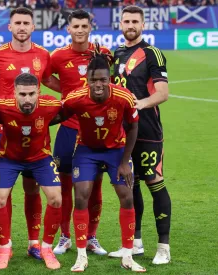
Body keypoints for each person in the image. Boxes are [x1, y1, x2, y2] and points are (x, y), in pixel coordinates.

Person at [0, 7, 60, 260]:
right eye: (17, 23)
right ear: (9, 27)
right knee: (3, 191)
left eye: (26, 23)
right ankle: (5, 245)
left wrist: (81, 88)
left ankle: (35, 243)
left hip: (36, 133)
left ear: (33, 27)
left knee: (33, 188)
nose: (22, 27)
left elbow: (51, 82)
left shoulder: (43, 55)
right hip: (4, 131)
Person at [53, 44, 145, 272]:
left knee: (127, 196)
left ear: (109, 78)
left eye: (103, 80)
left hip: (116, 150)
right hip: (86, 150)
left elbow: (133, 127)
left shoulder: (123, 97)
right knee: (81, 196)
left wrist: (124, 161)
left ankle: (128, 254)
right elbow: (58, 115)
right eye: (93, 80)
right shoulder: (76, 98)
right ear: (87, 79)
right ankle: (82, 255)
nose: (98, 85)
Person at [110, 5, 171, 265]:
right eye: (127, 21)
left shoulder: (151, 54)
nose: (131, 25)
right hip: (122, 133)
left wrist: (139, 104)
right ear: (120, 24)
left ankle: (163, 247)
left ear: (143, 25)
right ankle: (135, 243)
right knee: (129, 184)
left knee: (154, 183)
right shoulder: (118, 53)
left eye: (135, 21)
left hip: (146, 130)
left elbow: (162, 93)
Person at [49, 9, 112, 255]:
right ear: (69, 29)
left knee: (94, 185)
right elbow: (45, 77)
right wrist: (65, 88)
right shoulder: (58, 56)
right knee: (64, 184)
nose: (80, 30)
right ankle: (65, 236)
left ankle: (91, 236)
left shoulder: (102, 54)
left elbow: (112, 82)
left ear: (90, 27)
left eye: (84, 26)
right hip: (68, 128)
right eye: (76, 26)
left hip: (96, 128)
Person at [0, 73, 63, 270]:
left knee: (56, 198)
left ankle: (44, 247)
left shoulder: (50, 105)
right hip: (9, 159)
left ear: (39, 92)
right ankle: (5, 248)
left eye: (31, 94)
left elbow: (70, 109)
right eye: (22, 94)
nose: (27, 99)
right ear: (14, 93)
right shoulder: (1, 106)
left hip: (40, 158)